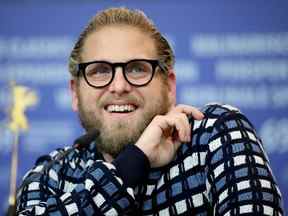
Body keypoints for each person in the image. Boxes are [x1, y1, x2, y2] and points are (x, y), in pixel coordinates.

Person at [16, 7, 283, 215]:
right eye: (99, 71)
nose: (119, 86)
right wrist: (133, 163)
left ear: (169, 86)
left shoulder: (214, 135)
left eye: (136, 69)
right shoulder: (51, 176)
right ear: (75, 93)